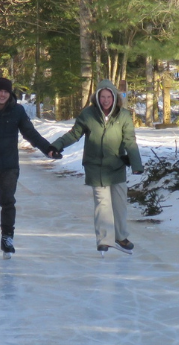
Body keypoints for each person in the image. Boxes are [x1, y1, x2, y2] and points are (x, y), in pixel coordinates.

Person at [0, 77, 60, 258]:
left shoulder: (17, 111)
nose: (2, 94)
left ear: (10, 94)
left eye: (6, 91)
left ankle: (7, 238)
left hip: (9, 166)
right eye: (0, 91)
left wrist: (48, 149)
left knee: (8, 202)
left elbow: (30, 133)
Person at [50, 79, 143, 255]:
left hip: (116, 165)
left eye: (109, 97)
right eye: (103, 97)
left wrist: (136, 164)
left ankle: (121, 236)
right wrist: (56, 146)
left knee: (119, 204)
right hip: (95, 167)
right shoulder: (88, 115)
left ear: (115, 97)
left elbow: (130, 140)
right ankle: (104, 239)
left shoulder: (123, 115)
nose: (106, 100)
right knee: (102, 204)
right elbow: (74, 134)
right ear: (97, 97)